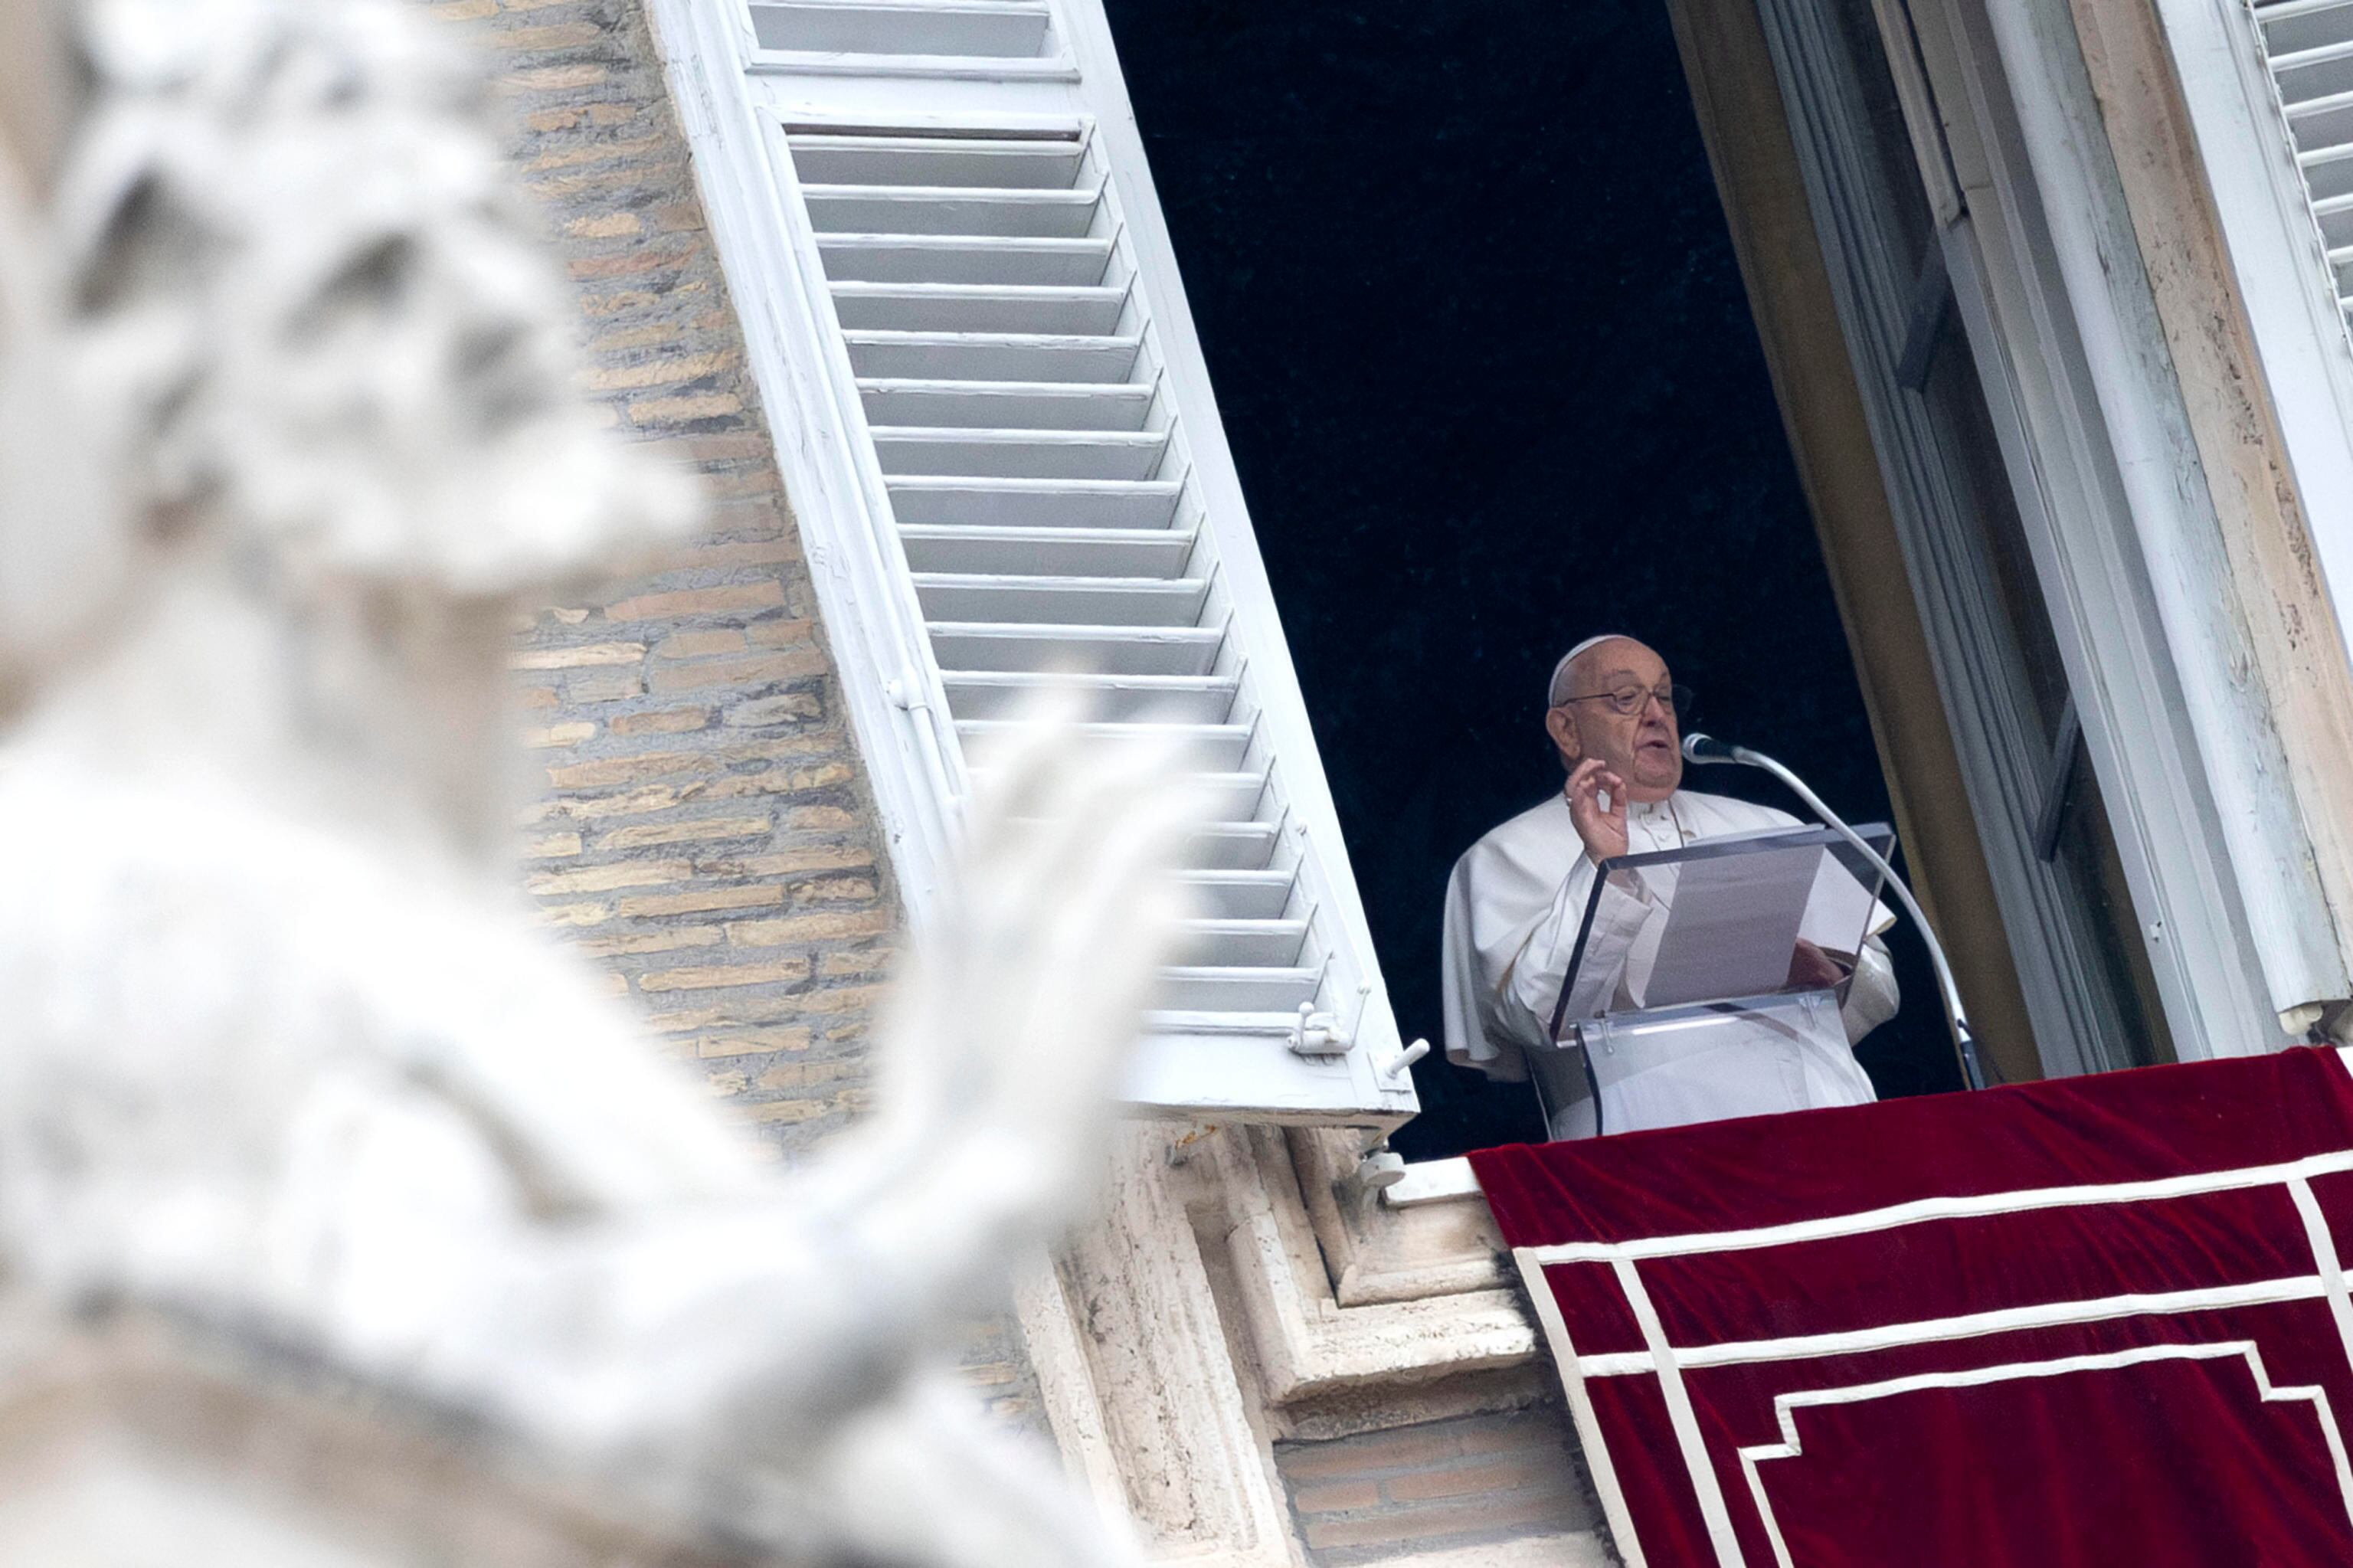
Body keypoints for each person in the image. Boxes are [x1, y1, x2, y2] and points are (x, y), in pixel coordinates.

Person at [1440, 634, 1897, 1138]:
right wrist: (1600, 867)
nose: (1657, 714)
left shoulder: (1769, 825)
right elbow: (1534, 1018)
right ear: (1566, 730)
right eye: (1626, 698)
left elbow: (1882, 986)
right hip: (1650, 1149)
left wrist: (1832, 976)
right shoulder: (1502, 855)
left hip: (1826, 1128)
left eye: (1664, 695)